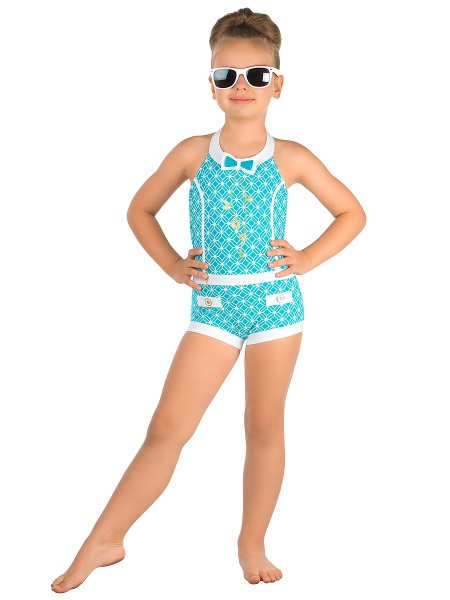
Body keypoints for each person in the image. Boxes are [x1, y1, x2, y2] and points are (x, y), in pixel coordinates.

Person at [51, 6, 366, 592]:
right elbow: (140, 210)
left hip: (276, 308)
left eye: (256, 74)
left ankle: (252, 543)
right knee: (167, 425)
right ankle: (104, 539)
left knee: (263, 425)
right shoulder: (193, 153)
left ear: (277, 85)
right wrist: (173, 265)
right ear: (211, 84)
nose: (241, 86)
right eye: (227, 75)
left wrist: (307, 258)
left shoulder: (292, 157)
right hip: (213, 310)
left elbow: (352, 213)